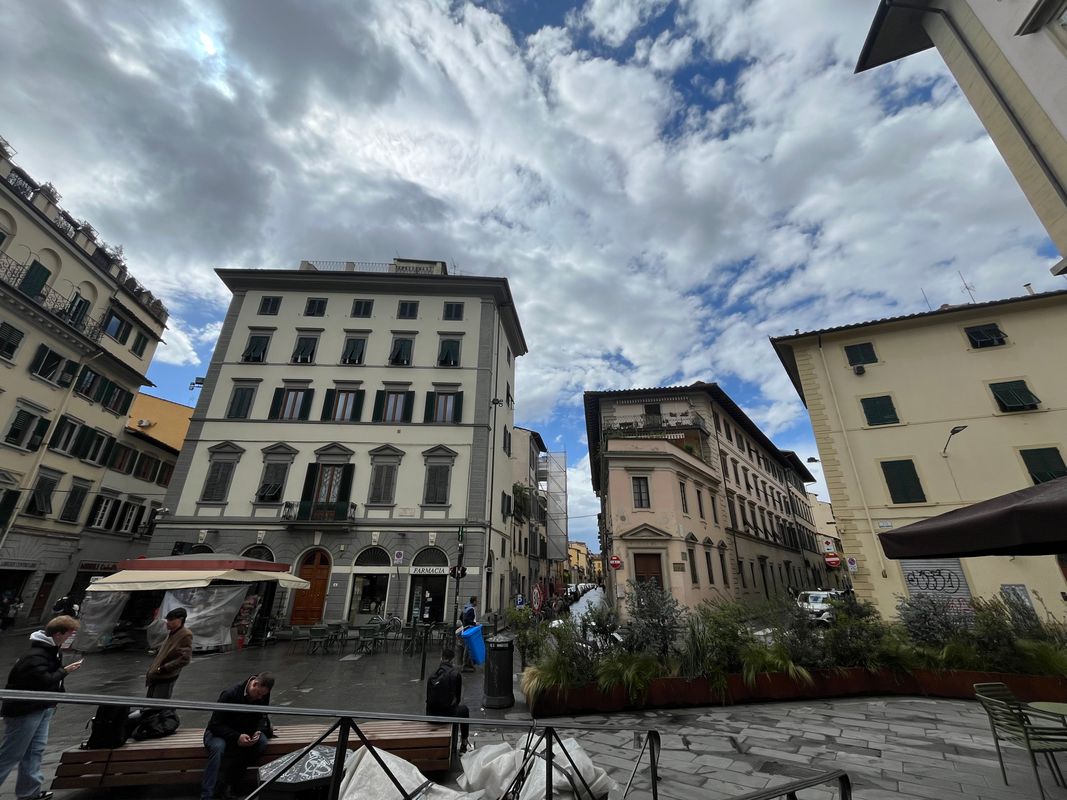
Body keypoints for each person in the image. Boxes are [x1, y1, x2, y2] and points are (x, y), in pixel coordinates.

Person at [0, 615, 83, 800]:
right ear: (59, 634)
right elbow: (43, 680)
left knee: (34, 750)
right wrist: (65, 671)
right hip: (25, 710)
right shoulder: (36, 656)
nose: (72, 637)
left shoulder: (52, 652)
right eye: (70, 633)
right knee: (11, 753)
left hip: (41, 707)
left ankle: (30, 793)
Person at [202, 673, 276, 800]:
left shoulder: (263, 694)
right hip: (219, 732)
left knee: (262, 742)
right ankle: (207, 795)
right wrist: (237, 737)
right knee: (218, 748)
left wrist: (258, 730)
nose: (260, 697)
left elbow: (261, 716)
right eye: (258, 693)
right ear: (254, 684)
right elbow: (215, 724)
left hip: (244, 731)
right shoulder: (230, 694)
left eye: (263, 695)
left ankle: (229, 782)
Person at [425, 648, 471, 754]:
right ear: (452, 660)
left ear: (441, 658)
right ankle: (464, 743)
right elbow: (457, 699)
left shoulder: (432, 675)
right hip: (447, 715)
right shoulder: (455, 674)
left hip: (430, 715)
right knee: (464, 710)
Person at [145, 608, 193, 699]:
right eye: (167, 620)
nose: (168, 623)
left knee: (158, 705)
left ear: (181, 619)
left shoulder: (185, 634)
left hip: (166, 676)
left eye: (171, 620)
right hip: (156, 674)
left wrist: (164, 668)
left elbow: (185, 659)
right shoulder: (172, 632)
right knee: (150, 702)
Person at [459, 597, 478, 672]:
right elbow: (467, 619)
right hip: (469, 630)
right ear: (473, 602)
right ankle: (465, 665)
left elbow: (460, 617)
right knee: (468, 647)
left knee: (468, 647)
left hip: (465, 629)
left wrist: (464, 625)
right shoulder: (471, 609)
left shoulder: (466, 607)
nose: (477, 603)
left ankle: (469, 664)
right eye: (476, 601)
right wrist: (474, 624)